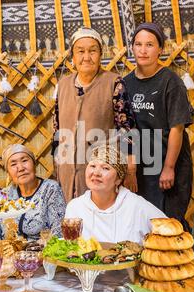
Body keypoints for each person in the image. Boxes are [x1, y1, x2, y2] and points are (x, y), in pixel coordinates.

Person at [53, 27, 136, 203]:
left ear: (100, 54)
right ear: (72, 57)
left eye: (93, 51)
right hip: (67, 171)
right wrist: (57, 168)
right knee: (72, 222)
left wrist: (130, 170)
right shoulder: (62, 85)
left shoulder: (113, 82)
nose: (86, 57)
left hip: (102, 172)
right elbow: (57, 129)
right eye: (80, 51)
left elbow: (126, 129)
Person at [124, 22, 193, 231]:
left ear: (160, 49)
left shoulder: (170, 81)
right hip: (141, 166)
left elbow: (177, 128)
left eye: (150, 45)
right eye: (138, 44)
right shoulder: (125, 83)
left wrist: (169, 167)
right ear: (132, 48)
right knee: (141, 222)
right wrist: (130, 167)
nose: (143, 50)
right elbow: (126, 130)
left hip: (168, 162)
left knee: (169, 222)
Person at [65, 144, 166, 244]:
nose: (96, 173)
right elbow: (69, 250)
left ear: (118, 179)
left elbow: (168, 230)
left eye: (105, 168)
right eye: (92, 166)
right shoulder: (75, 207)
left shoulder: (136, 205)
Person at [0, 144, 66, 241]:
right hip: (8, 254)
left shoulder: (50, 189)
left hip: (42, 253)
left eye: (24, 161)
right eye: (13, 164)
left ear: (34, 164)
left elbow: (58, 233)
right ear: (8, 172)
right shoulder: (4, 196)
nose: (20, 168)